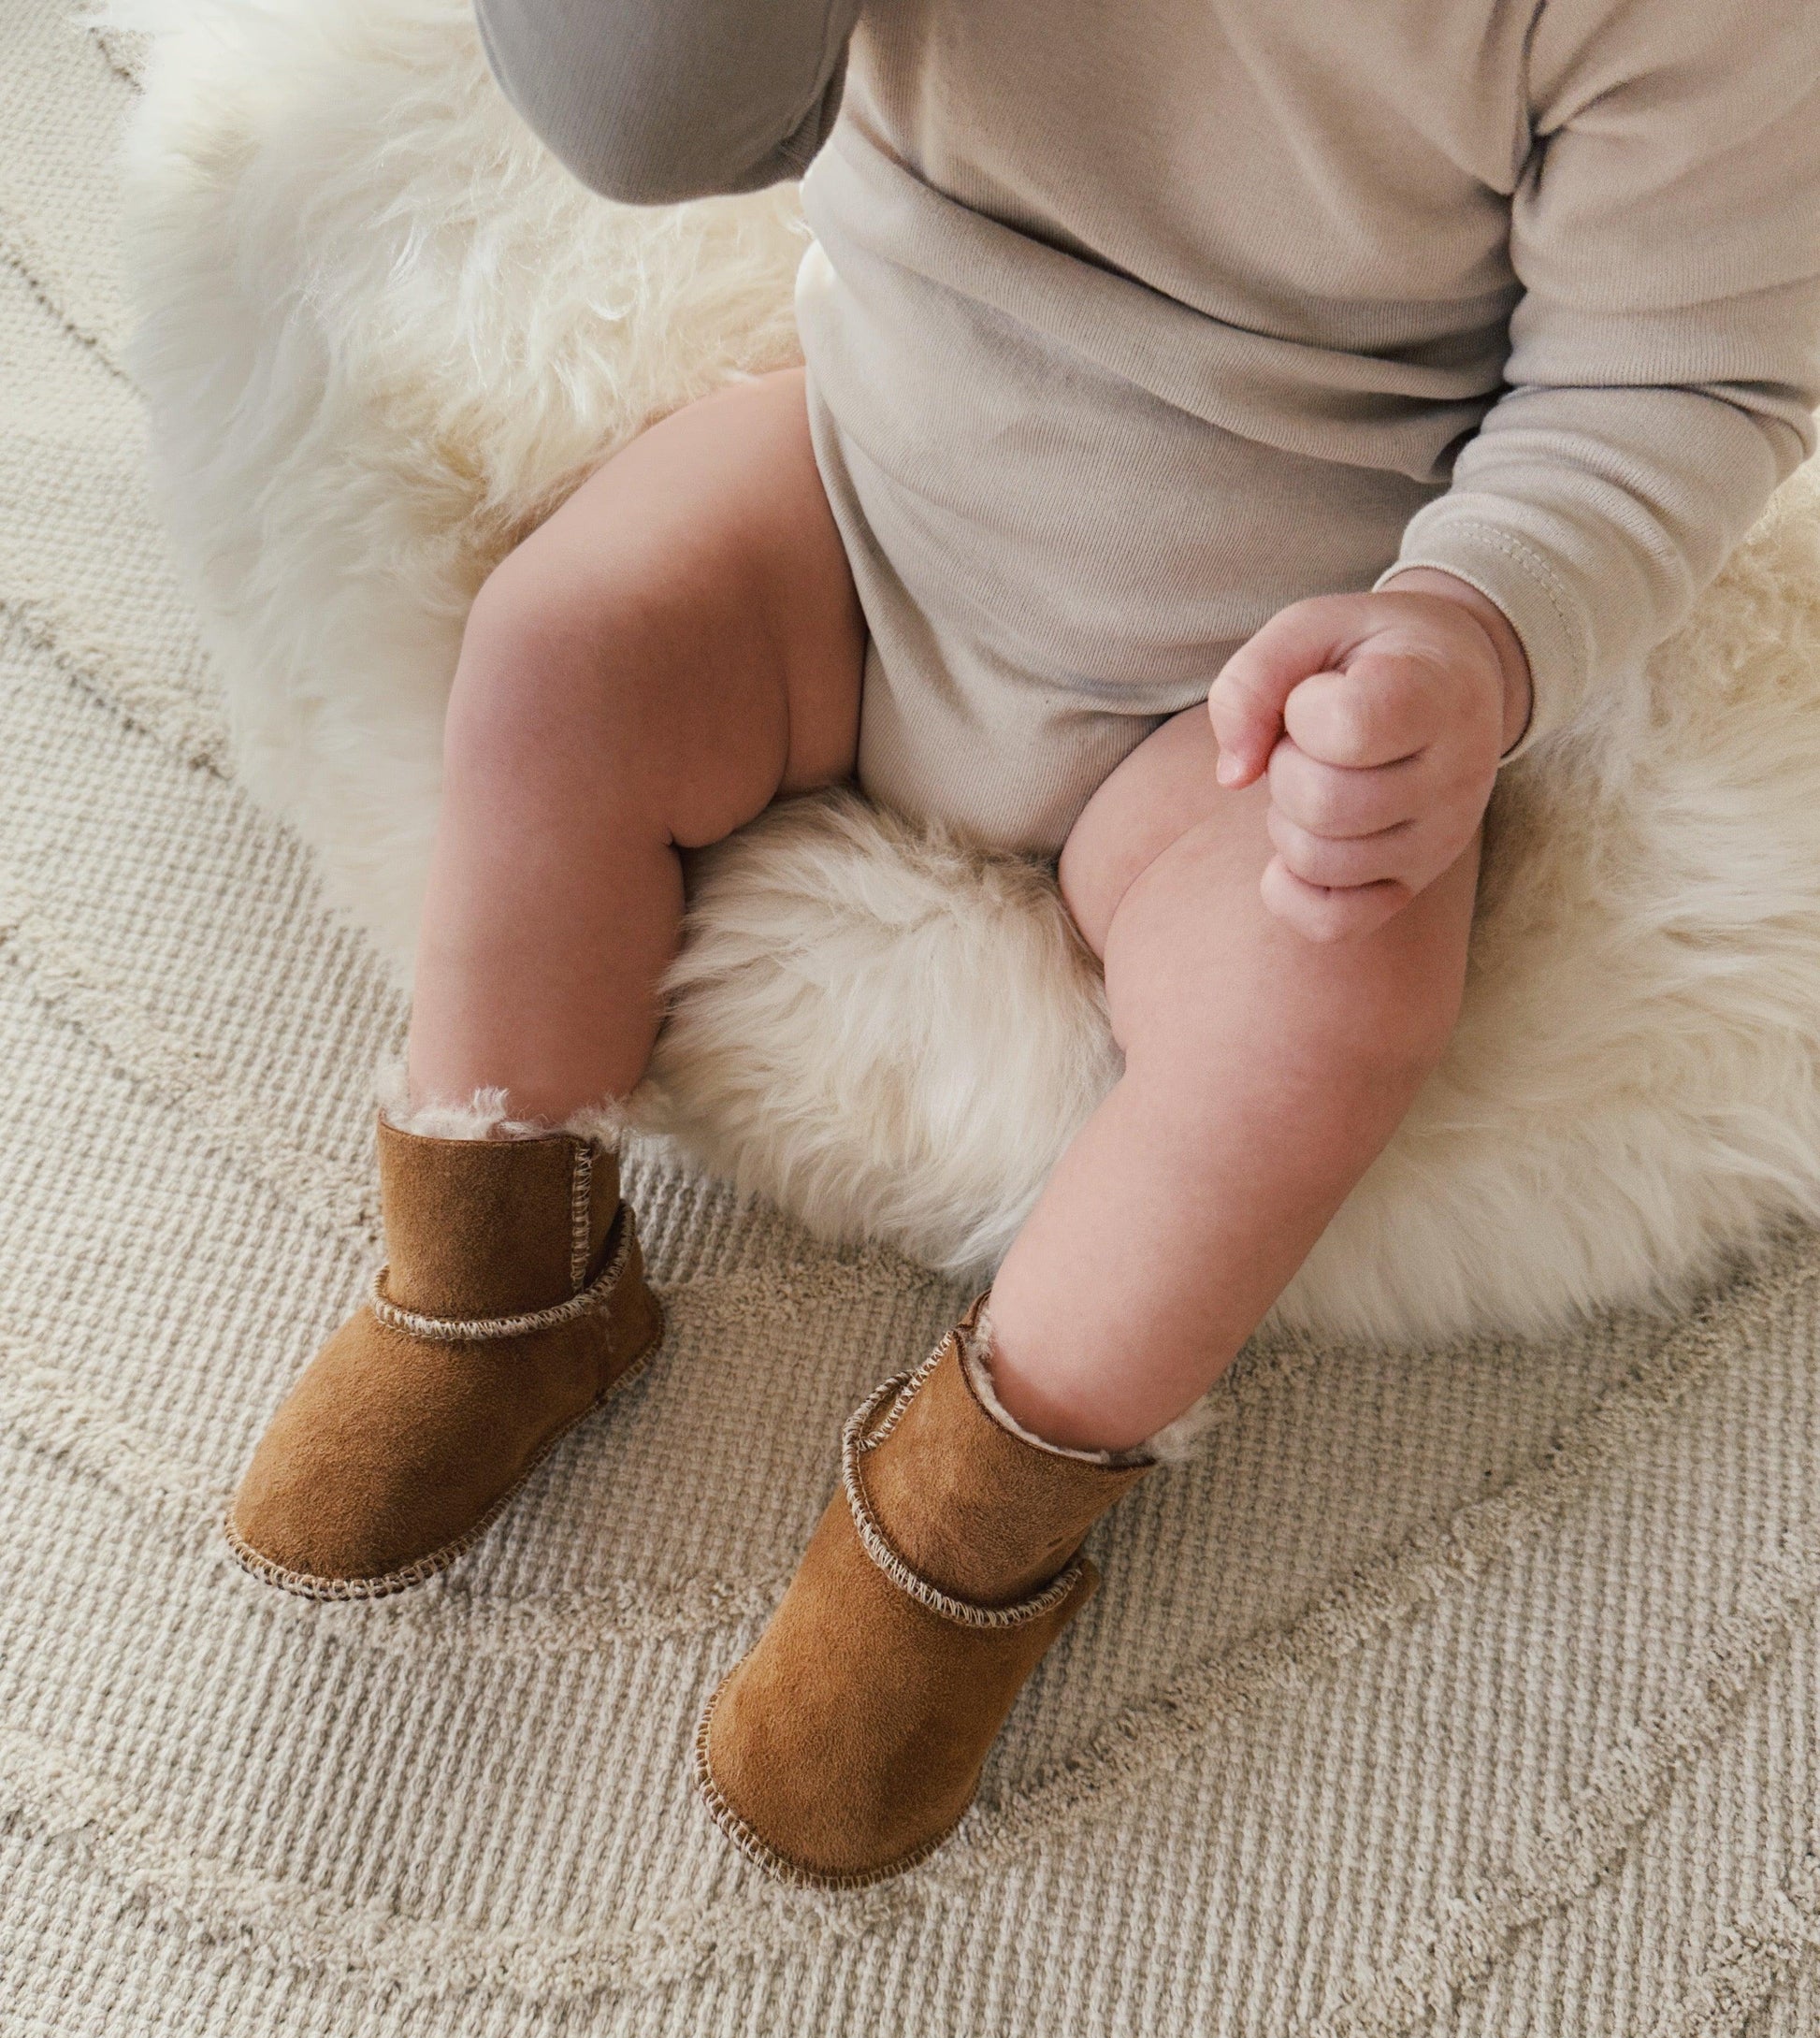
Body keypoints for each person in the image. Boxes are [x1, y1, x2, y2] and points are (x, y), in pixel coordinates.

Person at [226, 0, 1820, 1885]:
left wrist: (1475, 632)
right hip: (868, 489)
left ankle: (973, 1516)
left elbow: (1679, 378)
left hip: (1269, 672)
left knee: (1327, 1004)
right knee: (560, 656)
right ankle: (499, 1270)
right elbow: (645, 128)